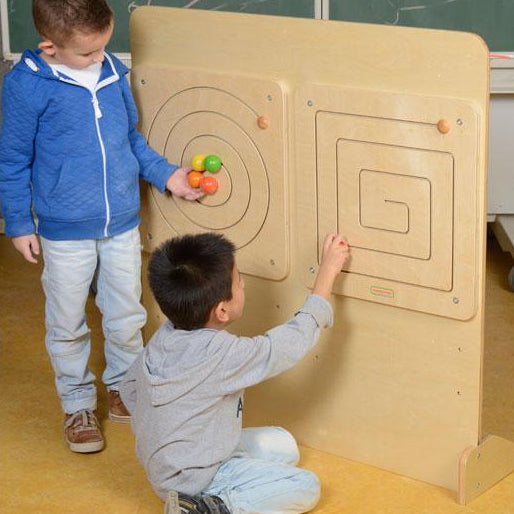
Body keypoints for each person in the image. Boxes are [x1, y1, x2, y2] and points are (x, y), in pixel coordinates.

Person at [0, 0, 202, 454]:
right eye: (87, 53)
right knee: (68, 321)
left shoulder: (110, 71)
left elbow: (130, 138)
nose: (100, 59)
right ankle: (76, 404)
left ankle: (125, 388)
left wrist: (168, 175)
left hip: (121, 223)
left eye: (104, 48)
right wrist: (17, 222)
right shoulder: (25, 86)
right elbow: (13, 160)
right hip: (63, 229)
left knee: (126, 313)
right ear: (49, 45)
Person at [120, 231, 350, 514]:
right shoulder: (220, 353)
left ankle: (185, 494)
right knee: (305, 486)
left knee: (285, 445)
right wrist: (325, 277)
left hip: (170, 466)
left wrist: (167, 430)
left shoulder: (165, 334)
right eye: (240, 282)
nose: (243, 284)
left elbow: (129, 388)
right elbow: (282, 347)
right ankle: (205, 507)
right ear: (222, 311)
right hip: (195, 478)